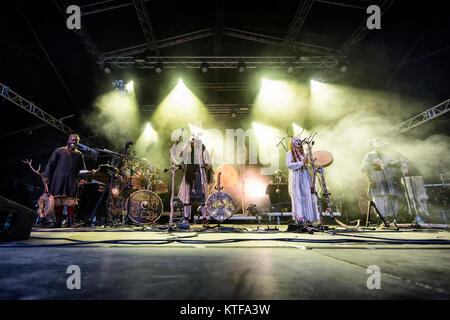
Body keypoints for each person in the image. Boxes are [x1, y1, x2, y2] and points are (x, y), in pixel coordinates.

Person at [42, 134, 86, 227]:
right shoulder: (59, 151)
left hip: (71, 180)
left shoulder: (79, 155)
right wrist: (46, 176)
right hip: (58, 179)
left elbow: (82, 169)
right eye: (72, 140)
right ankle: (58, 222)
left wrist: (82, 179)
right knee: (58, 200)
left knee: (71, 201)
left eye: (75, 141)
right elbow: (50, 164)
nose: (73, 142)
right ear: (68, 141)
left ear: (77, 143)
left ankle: (70, 222)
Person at [361, 137, 405, 223]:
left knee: (392, 198)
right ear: (373, 147)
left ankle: (391, 219)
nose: (380, 148)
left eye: (381, 146)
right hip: (377, 180)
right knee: (379, 199)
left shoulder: (387, 155)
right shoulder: (369, 155)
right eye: (378, 146)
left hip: (389, 180)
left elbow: (393, 166)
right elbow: (365, 168)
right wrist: (370, 180)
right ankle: (383, 220)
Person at [177, 137, 213, 227]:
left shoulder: (203, 151)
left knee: (202, 198)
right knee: (187, 199)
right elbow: (179, 155)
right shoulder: (187, 150)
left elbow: (208, 163)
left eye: (194, 141)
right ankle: (186, 219)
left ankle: (204, 219)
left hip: (199, 176)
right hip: (189, 176)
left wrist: (203, 163)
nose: (193, 143)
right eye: (191, 141)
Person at [286, 136, 321, 224]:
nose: (298, 142)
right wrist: (301, 163)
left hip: (305, 176)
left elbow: (308, 165)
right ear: (292, 142)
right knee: (298, 197)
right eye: (296, 140)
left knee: (307, 196)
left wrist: (311, 163)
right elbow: (289, 165)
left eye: (299, 140)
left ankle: (309, 219)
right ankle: (300, 219)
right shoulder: (289, 153)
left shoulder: (304, 154)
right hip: (296, 176)